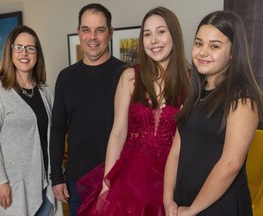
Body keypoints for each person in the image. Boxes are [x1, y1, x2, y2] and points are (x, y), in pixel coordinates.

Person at [77, 6, 190, 215]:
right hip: (131, 176)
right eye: (147, 34)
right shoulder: (129, 76)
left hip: (172, 177)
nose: (154, 40)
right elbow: (118, 133)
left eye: (161, 32)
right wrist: (106, 184)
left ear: (174, 34)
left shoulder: (191, 82)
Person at [163, 10, 263, 216]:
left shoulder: (242, 97)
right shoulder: (195, 94)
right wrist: (167, 199)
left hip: (219, 205)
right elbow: (175, 152)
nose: (203, 52)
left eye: (214, 46)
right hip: (184, 200)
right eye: (199, 43)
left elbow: (230, 164)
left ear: (234, 51)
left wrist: (193, 209)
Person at [49, 3, 126, 215]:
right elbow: (57, 129)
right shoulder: (66, 78)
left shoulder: (126, 74)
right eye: (86, 30)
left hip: (117, 180)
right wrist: (56, 177)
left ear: (110, 34)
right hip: (77, 182)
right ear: (79, 33)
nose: (92, 37)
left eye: (99, 30)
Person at [0, 25, 62, 216]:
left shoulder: (45, 91)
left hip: (46, 183)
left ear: (37, 53)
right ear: (10, 51)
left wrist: (58, 174)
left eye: (30, 48)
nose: (24, 53)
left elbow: (52, 135)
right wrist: (0, 182)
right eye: (18, 47)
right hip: (15, 187)